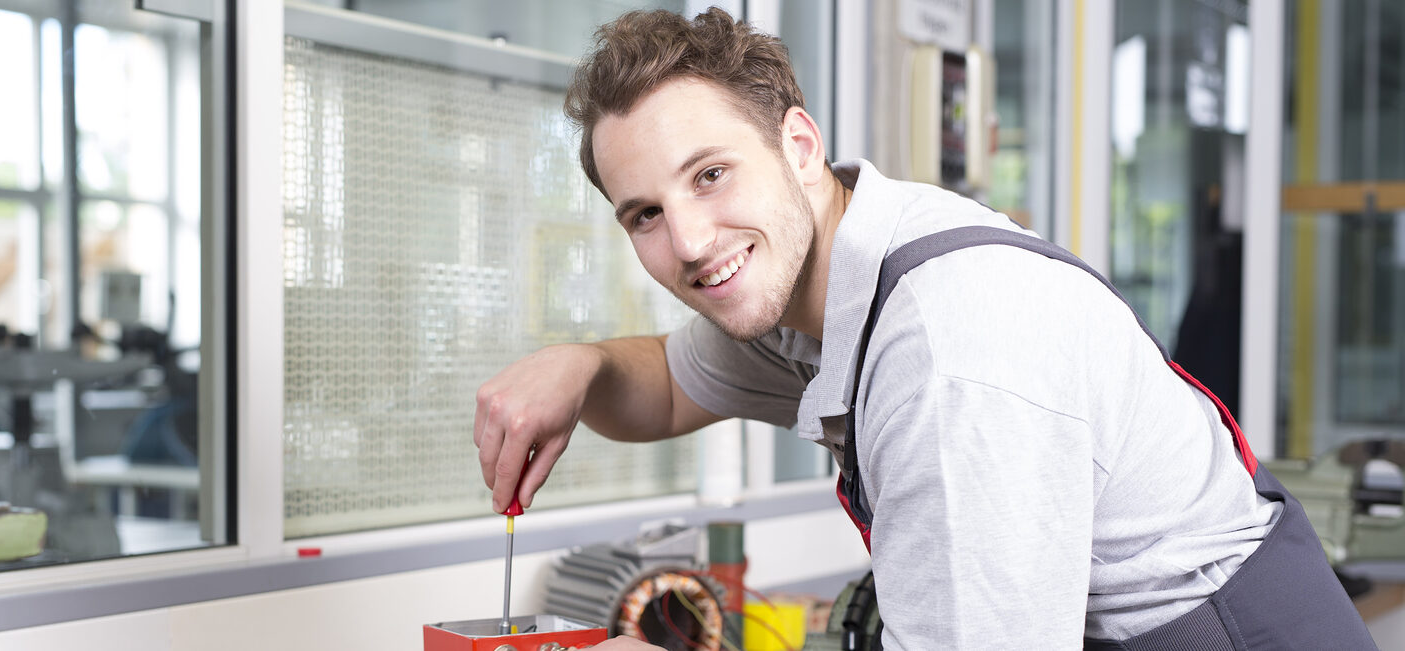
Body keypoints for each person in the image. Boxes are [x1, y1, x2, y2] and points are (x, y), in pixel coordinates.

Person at [472, 8, 1375, 649]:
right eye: (644, 215)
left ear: (797, 143)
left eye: (709, 174)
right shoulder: (804, 287)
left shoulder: (950, 347)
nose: (692, 242)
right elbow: (669, 385)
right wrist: (580, 365)